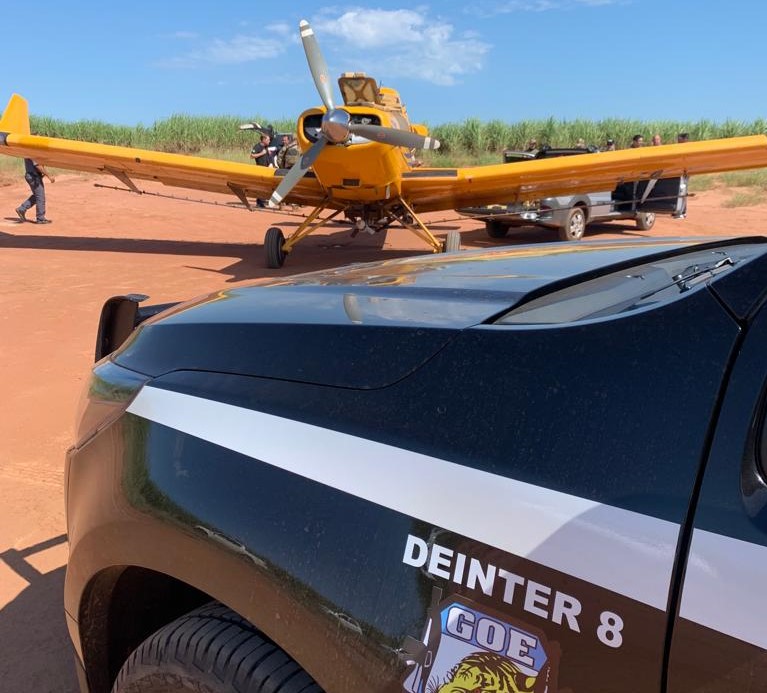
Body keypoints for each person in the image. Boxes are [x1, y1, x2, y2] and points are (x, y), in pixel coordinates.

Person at [16, 158, 55, 224]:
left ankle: (22, 209)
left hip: (32, 175)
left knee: (37, 196)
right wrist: (49, 176)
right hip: (33, 176)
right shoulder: (32, 152)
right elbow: (38, 166)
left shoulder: (28, 151)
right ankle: (40, 218)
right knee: (40, 197)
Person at [250, 134, 272, 208]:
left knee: (265, 186)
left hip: (267, 168)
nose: (269, 141)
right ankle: (259, 202)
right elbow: (252, 156)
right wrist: (261, 153)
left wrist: (271, 164)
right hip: (260, 168)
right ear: (264, 140)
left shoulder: (266, 147)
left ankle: (263, 200)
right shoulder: (257, 146)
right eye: (268, 140)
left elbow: (268, 156)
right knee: (260, 186)